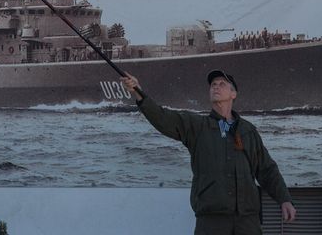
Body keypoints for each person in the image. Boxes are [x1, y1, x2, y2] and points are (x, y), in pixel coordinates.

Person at [121, 70, 296, 235]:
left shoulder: (248, 131)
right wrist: (138, 92)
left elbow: (267, 169)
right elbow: (163, 118)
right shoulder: (197, 127)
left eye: (222, 84)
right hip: (211, 220)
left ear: (233, 94)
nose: (216, 87)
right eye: (213, 84)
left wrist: (284, 199)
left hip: (248, 220)